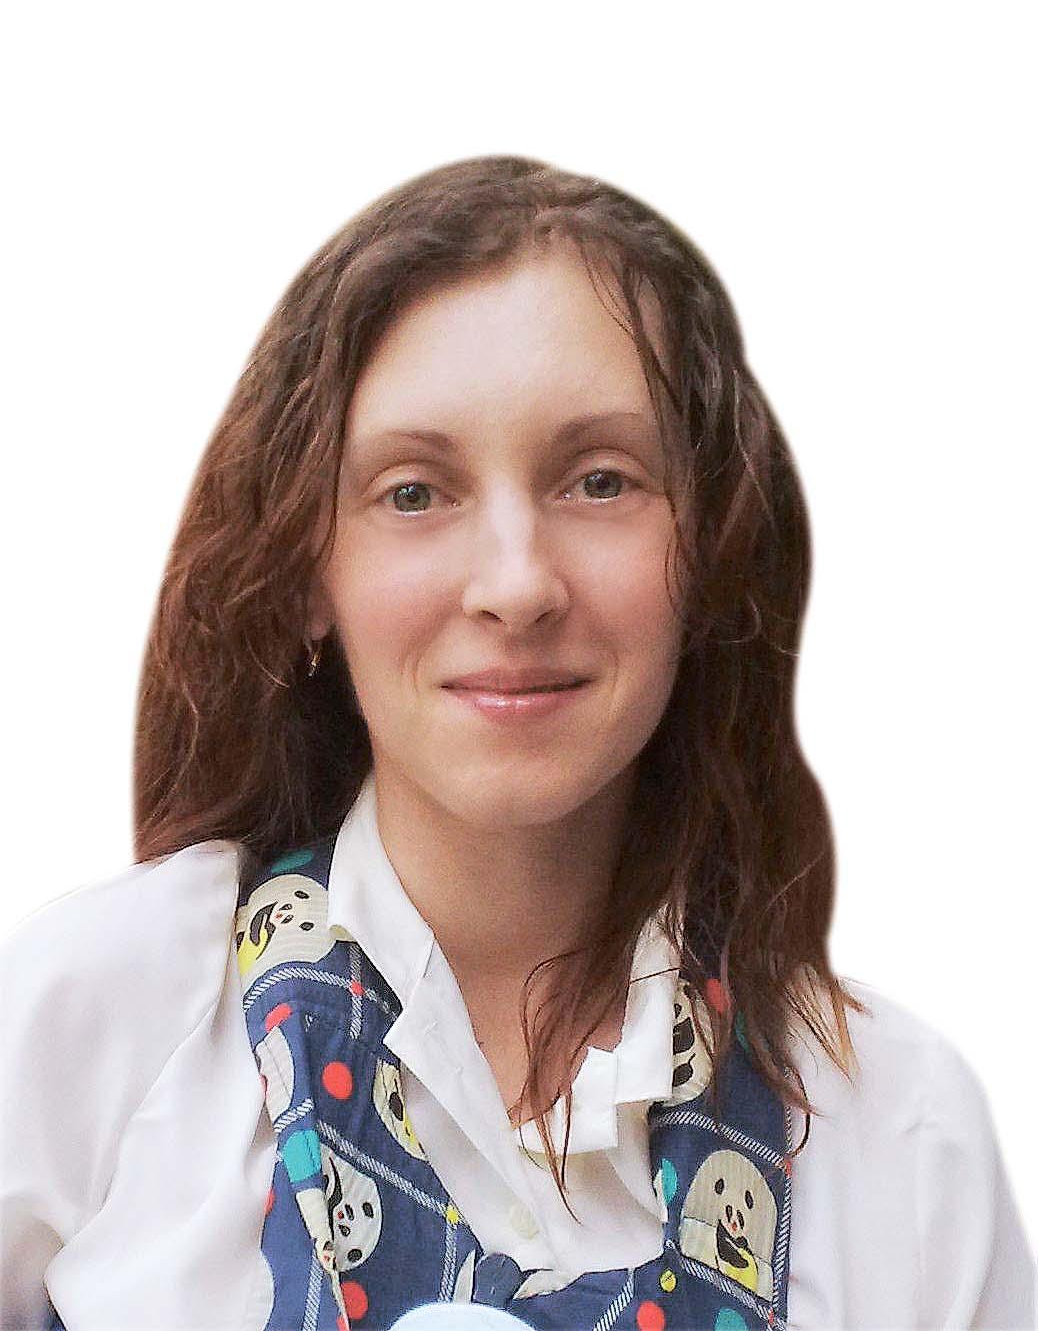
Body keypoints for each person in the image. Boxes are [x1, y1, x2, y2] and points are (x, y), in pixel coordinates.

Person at [1, 155, 1033, 1331]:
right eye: (413, 492)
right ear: (306, 572)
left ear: (710, 551)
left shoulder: (902, 1144)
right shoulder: (99, 1022)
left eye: (599, 481)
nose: (516, 583)